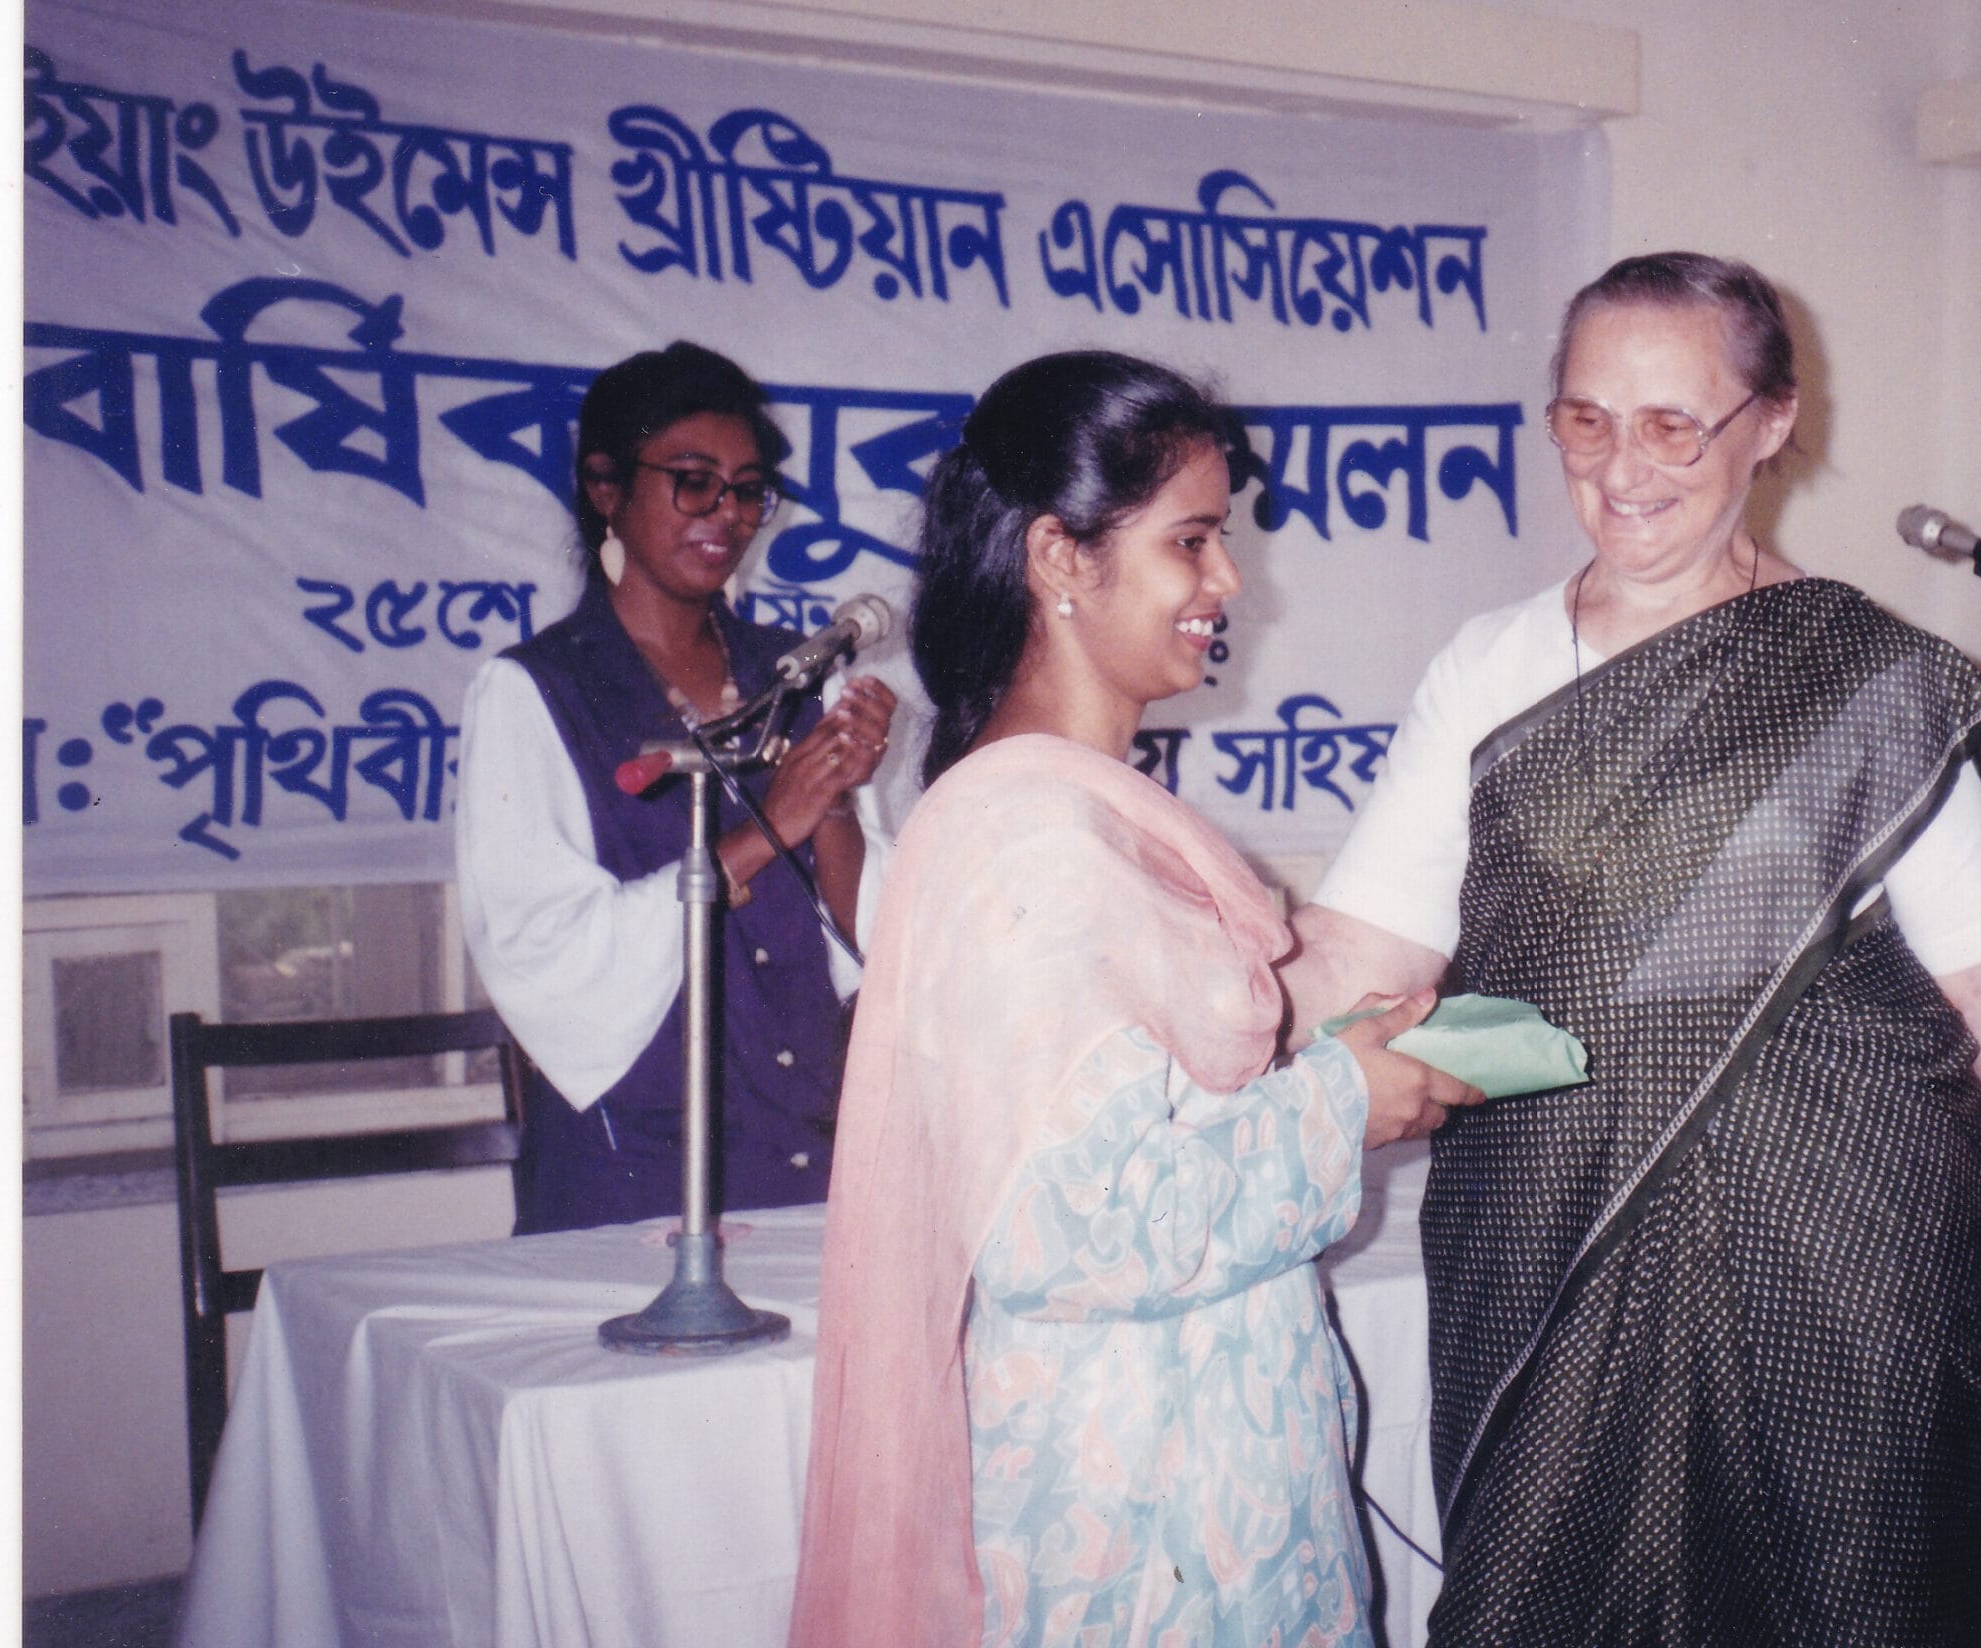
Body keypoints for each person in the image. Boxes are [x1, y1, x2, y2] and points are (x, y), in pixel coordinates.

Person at [1284, 253, 1981, 1644]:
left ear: (1770, 421)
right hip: (1551, 1246)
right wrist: (1182, 1014)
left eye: (1672, 425)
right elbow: (1360, 952)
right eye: (1586, 420)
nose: (1622, 468)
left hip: (1839, 1249)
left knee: (1843, 1603)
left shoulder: (1869, 680)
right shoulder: (1491, 665)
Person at [788, 351, 1482, 1648]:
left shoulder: (1082, 814)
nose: (1228, 584)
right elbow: (1067, 1230)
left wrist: (1338, 1061)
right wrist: (1344, 1101)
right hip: (1135, 1515)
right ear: (1060, 558)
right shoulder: (1028, 840)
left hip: (1202, 1472)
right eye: (1192, 542)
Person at [455, 341, 897, 1235]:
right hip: (633, 1182)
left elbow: (873, 936)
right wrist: (769, 826)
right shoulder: (533, 691)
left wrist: (833, 796)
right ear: (606, 488)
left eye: (747, 490)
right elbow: (544, 956)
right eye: (694, 483)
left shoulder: (796, 672)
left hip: (810, 1160)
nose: (727, 515)